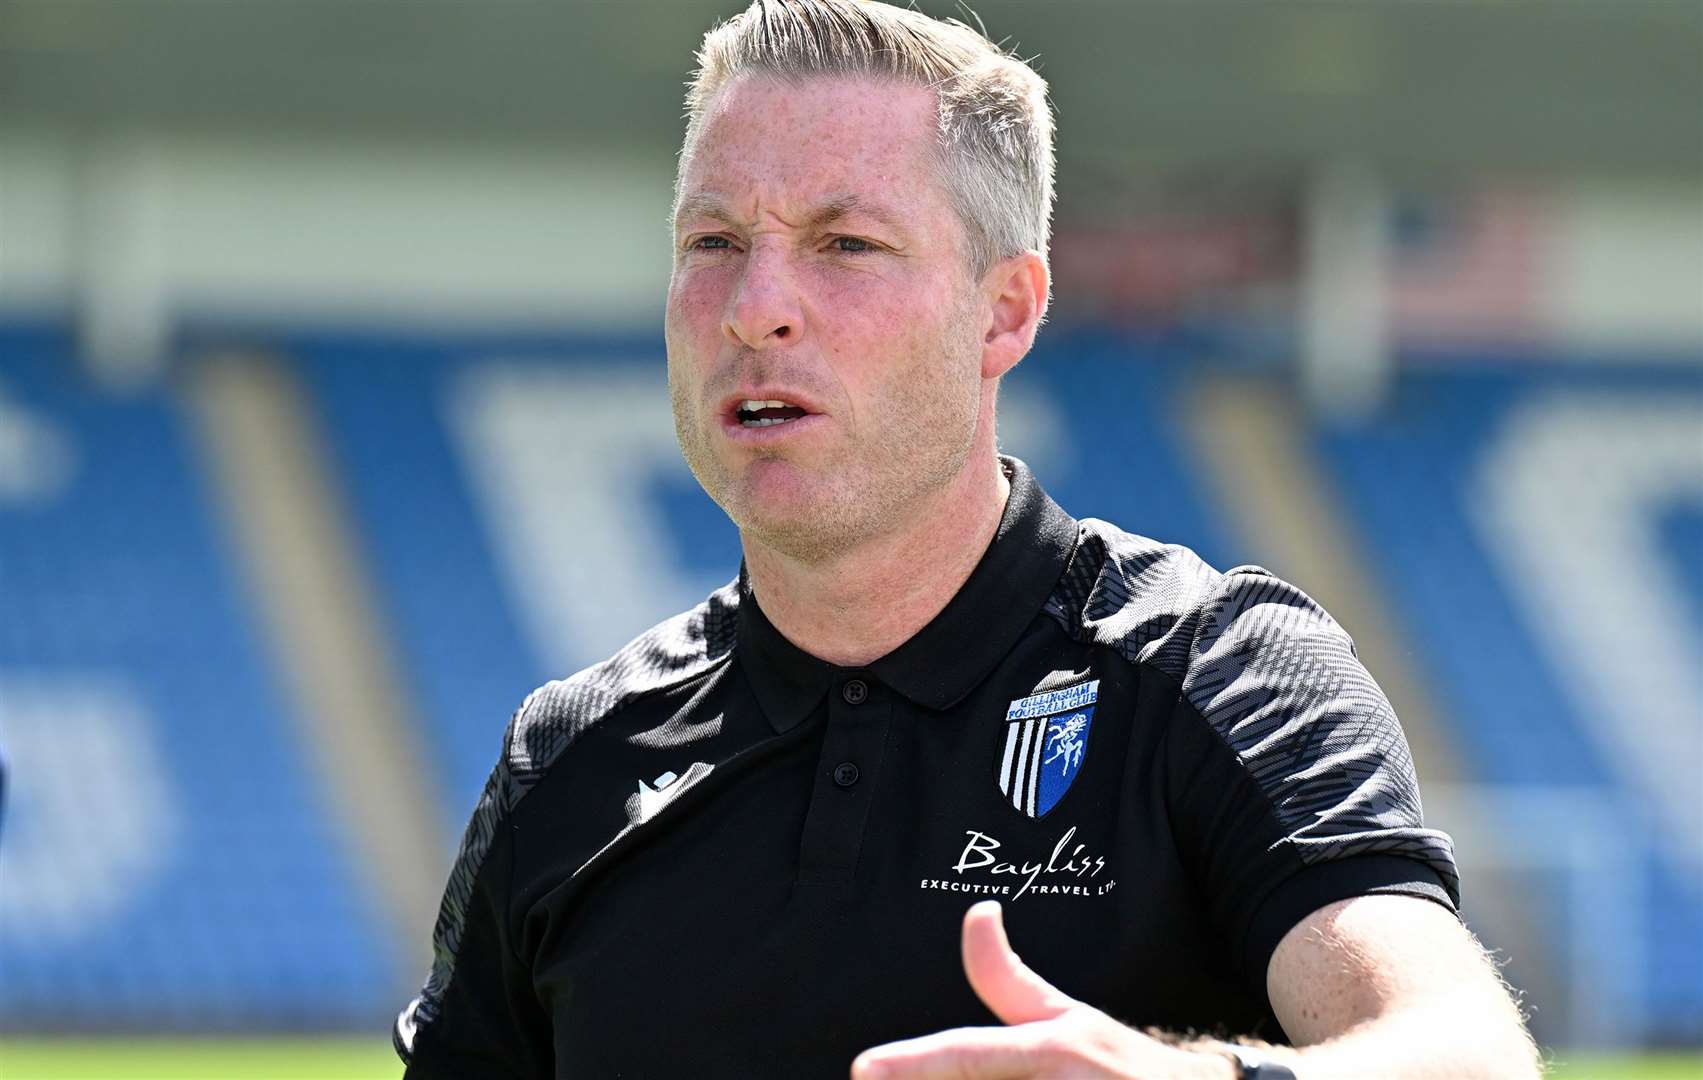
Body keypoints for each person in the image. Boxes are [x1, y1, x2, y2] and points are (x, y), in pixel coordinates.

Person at [395, 2, 1540, 1076]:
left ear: (1004, 311)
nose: (755, 306)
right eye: (712, 240)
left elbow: (1460, 1048)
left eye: (843, 243)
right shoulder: (570, 757)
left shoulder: (1217, 673)